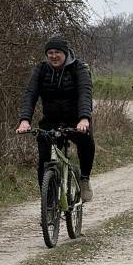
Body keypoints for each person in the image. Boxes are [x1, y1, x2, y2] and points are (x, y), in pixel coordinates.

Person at [15, 35, 95, 202]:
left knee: (86, 142)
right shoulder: (41, 69)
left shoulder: (78, 68)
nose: (53, 56)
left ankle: (84, 179)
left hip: (76, 120)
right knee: (44, 159)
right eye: (50, 52)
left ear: (65, 53)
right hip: (51, 120)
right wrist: (24, 120)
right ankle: (48, 202)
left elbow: (85, 93)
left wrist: (84, 119)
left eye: (57, 52)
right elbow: (30, 94)